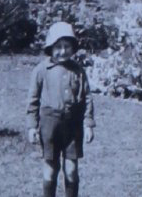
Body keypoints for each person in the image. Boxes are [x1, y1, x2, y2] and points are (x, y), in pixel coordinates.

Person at [27, 22, 95, 197]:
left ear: (73, 48)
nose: (63, 51)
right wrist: (32, 126)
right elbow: (33, 101)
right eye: (58, 47)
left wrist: (88, 124)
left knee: (71, 170)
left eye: (67, 46)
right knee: (50, 169)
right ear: (50, 47)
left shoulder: (78, 71)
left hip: (73, 126)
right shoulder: (42, 70)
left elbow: (87, 97)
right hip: (50, 126)